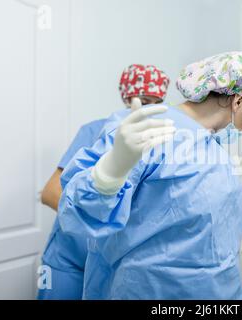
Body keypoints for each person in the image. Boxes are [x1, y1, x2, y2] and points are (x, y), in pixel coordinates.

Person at [57, 52, 242, 299]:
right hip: (149, 290)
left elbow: (203, 201)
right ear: (238, 102)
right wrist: (111, 169)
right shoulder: (150, 127)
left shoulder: (213, 141)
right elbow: (78, 214)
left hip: (217, 291)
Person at [37, 64, 170, 300]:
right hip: (67, 258)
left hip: (110, 262)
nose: (148, 107)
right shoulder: (96, 130)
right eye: (141, 100)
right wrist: (94, 219)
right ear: (127, 98)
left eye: (155, 101)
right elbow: (49, 193)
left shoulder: (162, 138)